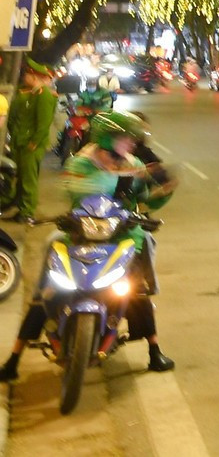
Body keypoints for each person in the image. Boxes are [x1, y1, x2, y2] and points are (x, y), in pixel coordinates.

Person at [0, 113, 176, 379]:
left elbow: (144, 202)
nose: (130, 144)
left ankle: (154, 350)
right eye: (125, 139)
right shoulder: (81, 162)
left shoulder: (134, 163)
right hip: (79, 234)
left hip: (122, 235)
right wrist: (124, 178)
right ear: (109, 139)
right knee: (47, 289)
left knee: (137, 291)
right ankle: (14, 359)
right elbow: (76, 188)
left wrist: (164, 189)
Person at [3, 62, 57, 224]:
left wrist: (33, 142)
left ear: (34, 77)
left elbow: (43, 124)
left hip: (30, 145)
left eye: (27, 75)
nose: (24, 77)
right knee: (21, 177)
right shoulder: (30, 93)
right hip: (21, 142)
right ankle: (20, 207)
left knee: (28, 179)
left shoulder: (44, 95)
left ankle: (27, 213)